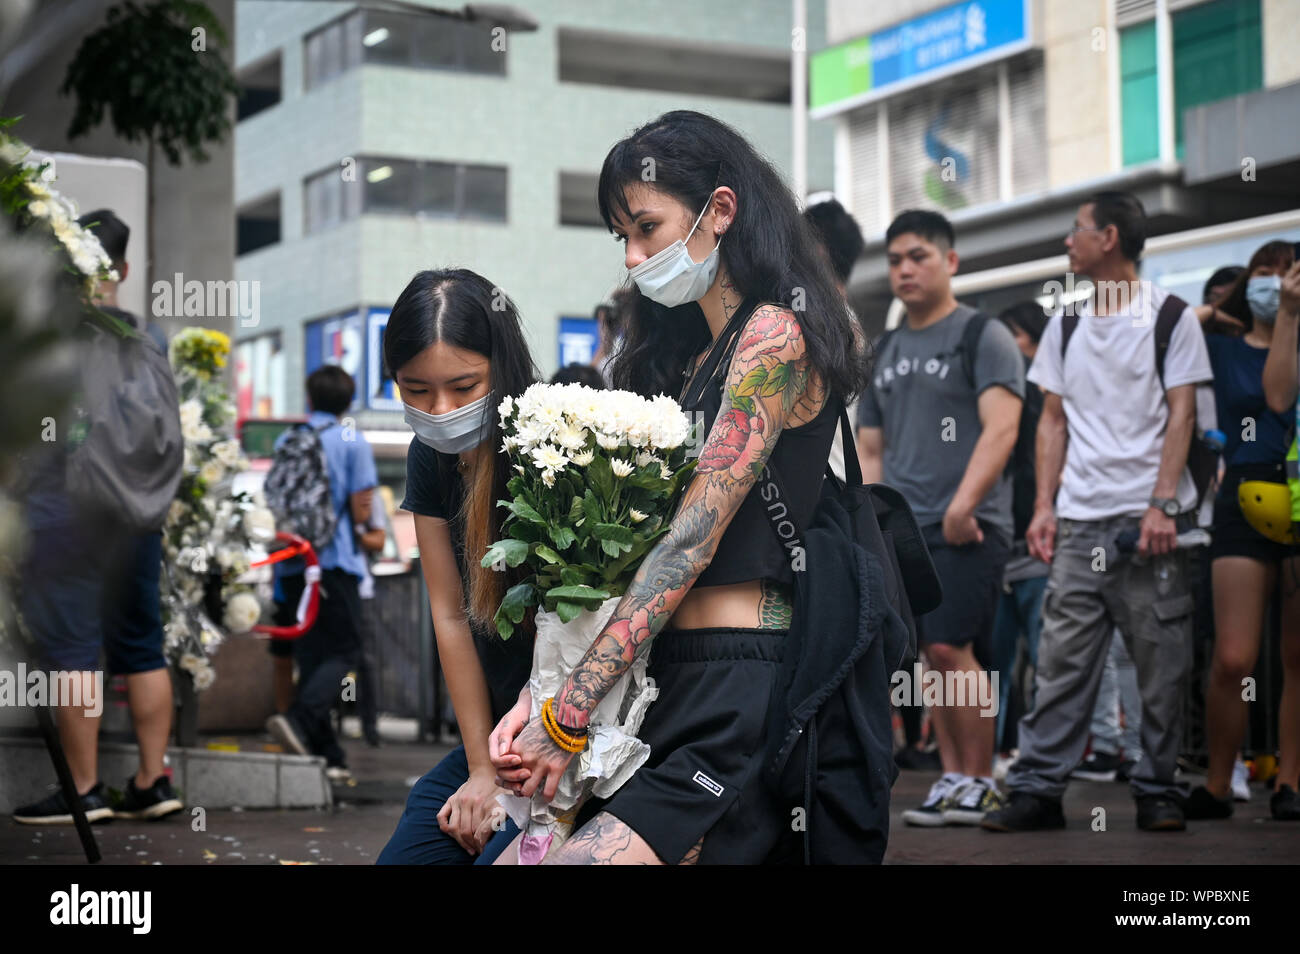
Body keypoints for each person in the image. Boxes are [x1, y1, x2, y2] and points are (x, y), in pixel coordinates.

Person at [489, 109, 864, 865]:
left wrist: (568, 712)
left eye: (647, 229)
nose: (632, 258)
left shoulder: (773, 337)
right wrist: (547, 690)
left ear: (719, 210)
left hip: (736, 680)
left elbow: (688, 543)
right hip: (657, 679)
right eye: (621, 238)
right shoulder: (690, 357)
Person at [983, 191, 1213, 834]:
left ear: (1108, 237)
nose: (1067, 242)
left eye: (1076, 231)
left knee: (1160, 666)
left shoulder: (1171, 317)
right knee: (1061, 663)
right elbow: (1051, 422)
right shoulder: (1067, 324)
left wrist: (1164, 504)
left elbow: (1183, 414)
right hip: (1081, 523)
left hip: (1149, 524)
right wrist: (1044, 506)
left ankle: (1156, 789)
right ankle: (1038, 790)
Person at [12, 209, 182, 824]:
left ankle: (82, 790)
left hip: (69, 515)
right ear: (124, 269)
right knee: (142, 646)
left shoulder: (56, 334)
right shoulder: (148, 337)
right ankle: (151, 781)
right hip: (138, 520)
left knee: (76, 651)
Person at [857, 210, 1024, 827]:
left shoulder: (983, 335)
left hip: (968, 525)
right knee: (930, 654)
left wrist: (964, 503)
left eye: (918, 256)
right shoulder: (887, 349)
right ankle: (955, 777)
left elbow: (1003, 427)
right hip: (906, 529)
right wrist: (871, 512)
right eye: (896, 258)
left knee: (954, 647)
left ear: (950, 261)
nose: (904, 268)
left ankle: (982, 779)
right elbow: (869, 444)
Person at [375, 268, 539, 865]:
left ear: (502, 368)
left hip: (572, 730)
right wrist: (479, 769)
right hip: (491, 737)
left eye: (464, 387)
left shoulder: (557, 443)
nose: (439, 410)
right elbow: (448, 615)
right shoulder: (429, 458)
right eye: (415, 390)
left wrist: (515, 764)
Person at [1185, 244, 1300, 821]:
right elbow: (1164, 323)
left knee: (1296, 654)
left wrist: (1289, 318)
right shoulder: (1221, 345)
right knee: (1234, 658)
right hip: (1243, 495)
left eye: (1288, 274)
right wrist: (1215, 311)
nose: (1277, 284)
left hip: (1297, 491)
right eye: (1265, 274)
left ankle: (1291, 782)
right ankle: (1219, 781)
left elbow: (1283, 397)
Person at [265, 366, 380, 782]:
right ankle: (299, 719)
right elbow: (361, 509)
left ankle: (325, 753)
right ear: (348, 402)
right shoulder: (351, 440)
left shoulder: (287, 439)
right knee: (345, 650)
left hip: (293, 565)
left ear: (309, 398)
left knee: (313, 656)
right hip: (334, 563)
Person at [989, 301, 1049, 767]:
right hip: (999, 542)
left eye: (1018, 339)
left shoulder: (1042, 389)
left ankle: (1042, 754)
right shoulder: (989, 388)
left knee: (1047, 655)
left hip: (1037, 539)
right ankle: (997, 752)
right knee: (996, 661)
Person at [803, 195, 866, 484]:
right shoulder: (848, 321)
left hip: (825, 485)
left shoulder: (825, 322)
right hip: (836, 483)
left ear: (817, 250)